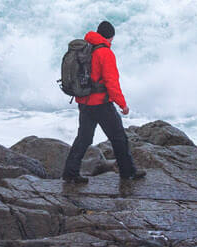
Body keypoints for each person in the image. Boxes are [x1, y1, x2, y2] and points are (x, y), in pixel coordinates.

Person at [61, 20, 146, 184]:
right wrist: (123, 105)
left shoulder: (85, 48)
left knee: (84, 138)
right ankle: (128, 172)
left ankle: (70, 172)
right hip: (100, 104)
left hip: (84, 101)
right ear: (110, 37)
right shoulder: (105, 53)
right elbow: (111, 82)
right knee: (119, 137)